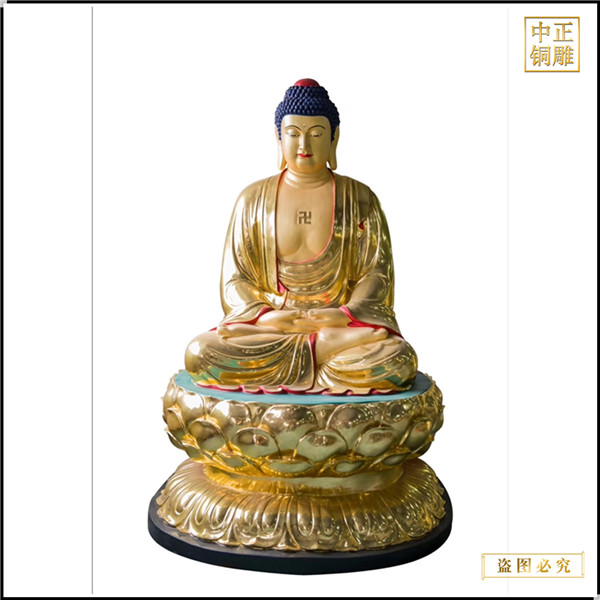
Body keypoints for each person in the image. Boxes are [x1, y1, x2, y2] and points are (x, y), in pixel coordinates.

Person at [185, 79, 417, 394]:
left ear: (334, 138)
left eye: (317, 134)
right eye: (293, 134)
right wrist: (266, 318)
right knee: (201, 353)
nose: (304, 145)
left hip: (338, 323)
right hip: (273, 329)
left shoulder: (360, 198)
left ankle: (321, 349)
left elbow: (376, 275)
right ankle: (321, 352)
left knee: (398, 359)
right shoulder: (252, 200)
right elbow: (235, 281)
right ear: (278, 137)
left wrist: (342, 315)